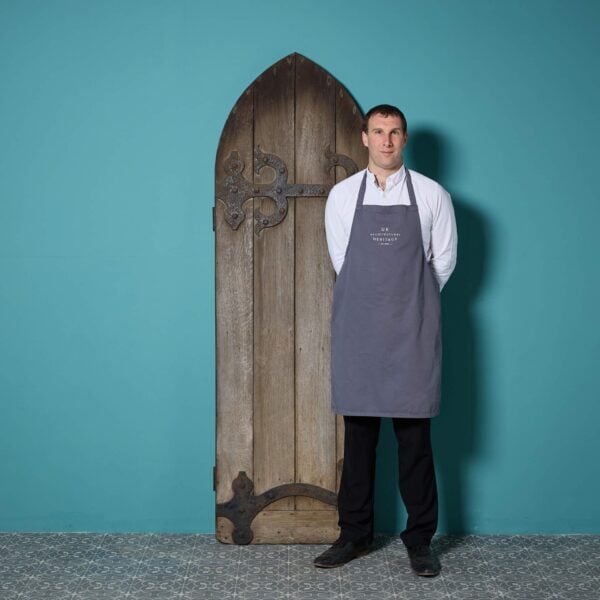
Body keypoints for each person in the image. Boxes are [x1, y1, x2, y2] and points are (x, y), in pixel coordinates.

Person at [314, 105, 457, 576]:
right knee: (358, 440)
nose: (386, 141)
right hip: (360, 332)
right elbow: (343, 261)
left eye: (394, 132)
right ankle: (353, 535)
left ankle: (420, 541)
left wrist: (412, 303)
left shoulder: (433, 195)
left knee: (415, 441)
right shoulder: (342, 196)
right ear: (365, 138)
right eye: (378, 131)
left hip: (412, 331)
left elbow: (442, 263)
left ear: (405, 138)